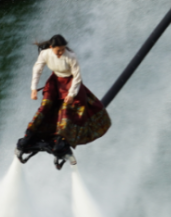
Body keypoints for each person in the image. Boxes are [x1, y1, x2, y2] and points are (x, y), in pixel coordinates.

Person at [16, 34, 111, 169]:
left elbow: (77, 77)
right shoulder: (45, 54)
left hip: (71, 83)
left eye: (63, 49)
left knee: (67, 112)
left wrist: (72, 94)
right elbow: (37, 70)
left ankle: (61, 142)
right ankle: (28, 138)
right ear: (51, 47)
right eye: (58, 50)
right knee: (45, 107)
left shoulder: (71, 56)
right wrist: (33, 89)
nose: (61, 53)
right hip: (55, 82)